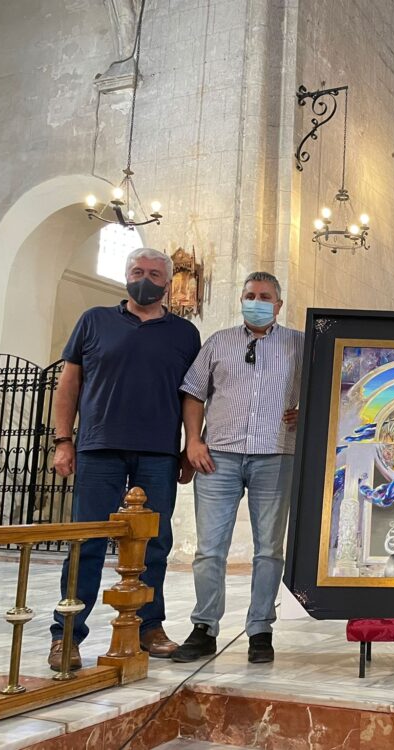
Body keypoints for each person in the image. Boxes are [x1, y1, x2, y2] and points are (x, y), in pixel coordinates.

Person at [49, 247, 201, 670]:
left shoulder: (185, 334)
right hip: (99, 446)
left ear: (167, 283)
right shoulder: (94, 321)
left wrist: (190, 445)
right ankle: (66, 635)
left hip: (158, 451)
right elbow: (69, 384)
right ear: (126, 276)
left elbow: (192, 395)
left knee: (154, 543)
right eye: (137, 271)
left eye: (154, 274)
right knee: (87, 542)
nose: (144, 279)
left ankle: (149, 627)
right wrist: (63, 440)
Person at [172, 272, 304, 664]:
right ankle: (204, 627)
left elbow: (329, 387)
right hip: (219, 456)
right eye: (250, 295)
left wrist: (308, 410)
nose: (256, 301)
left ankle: (260, 629)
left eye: (265, 296)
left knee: (269, 550)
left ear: (278, 304)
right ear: (241, 299)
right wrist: (193, 441)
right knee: (209, 550)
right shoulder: (219, 342)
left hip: (276, 455)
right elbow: (193, 393)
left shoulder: (299, 344)